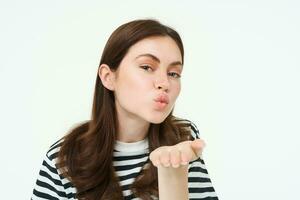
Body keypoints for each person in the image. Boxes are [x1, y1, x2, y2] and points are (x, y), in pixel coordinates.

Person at [31, 19, 218, 200]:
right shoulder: (64, 158)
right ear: (108, 77)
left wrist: (173, 173)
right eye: (147, 67)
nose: (164, 83)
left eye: (173, 73)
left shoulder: (182, 139)